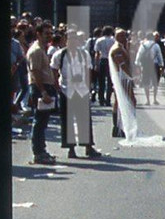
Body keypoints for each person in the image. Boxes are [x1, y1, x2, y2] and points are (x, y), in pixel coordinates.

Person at [58, 29, 103, 159]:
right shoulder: (60, 55)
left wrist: (89, 87)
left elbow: (88, 71)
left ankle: (88, 146)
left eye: (74, 38)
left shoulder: (84, 54)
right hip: (66, 90)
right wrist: (57, 86)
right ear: (65, 40)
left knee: (84, 119)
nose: (72, 41)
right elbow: (54, 70)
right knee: (67, 121)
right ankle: (71, 149)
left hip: (82, 90)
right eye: (69, 38)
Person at [26, 21, 57, 165]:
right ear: (38, 34)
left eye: (51, 33)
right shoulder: (36, 51)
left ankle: (41, 150)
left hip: (46, 86)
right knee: (39, 122)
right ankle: (38, 153)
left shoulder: (43, 49)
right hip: (40, 88)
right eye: (46, 34)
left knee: (43, 122)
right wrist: (43, 92)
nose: (49, 36)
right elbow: (35, 73)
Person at [109, 28, 136, 138]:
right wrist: (131, 76)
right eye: (121, 36)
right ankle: (121, 126)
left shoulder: (121, 47)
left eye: (125, 35)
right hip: (122, 78)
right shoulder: (117, 49)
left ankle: (119, 127)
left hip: (123, 78)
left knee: (120, 102)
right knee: (128, 101)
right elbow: (122, 64)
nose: (124, 38)